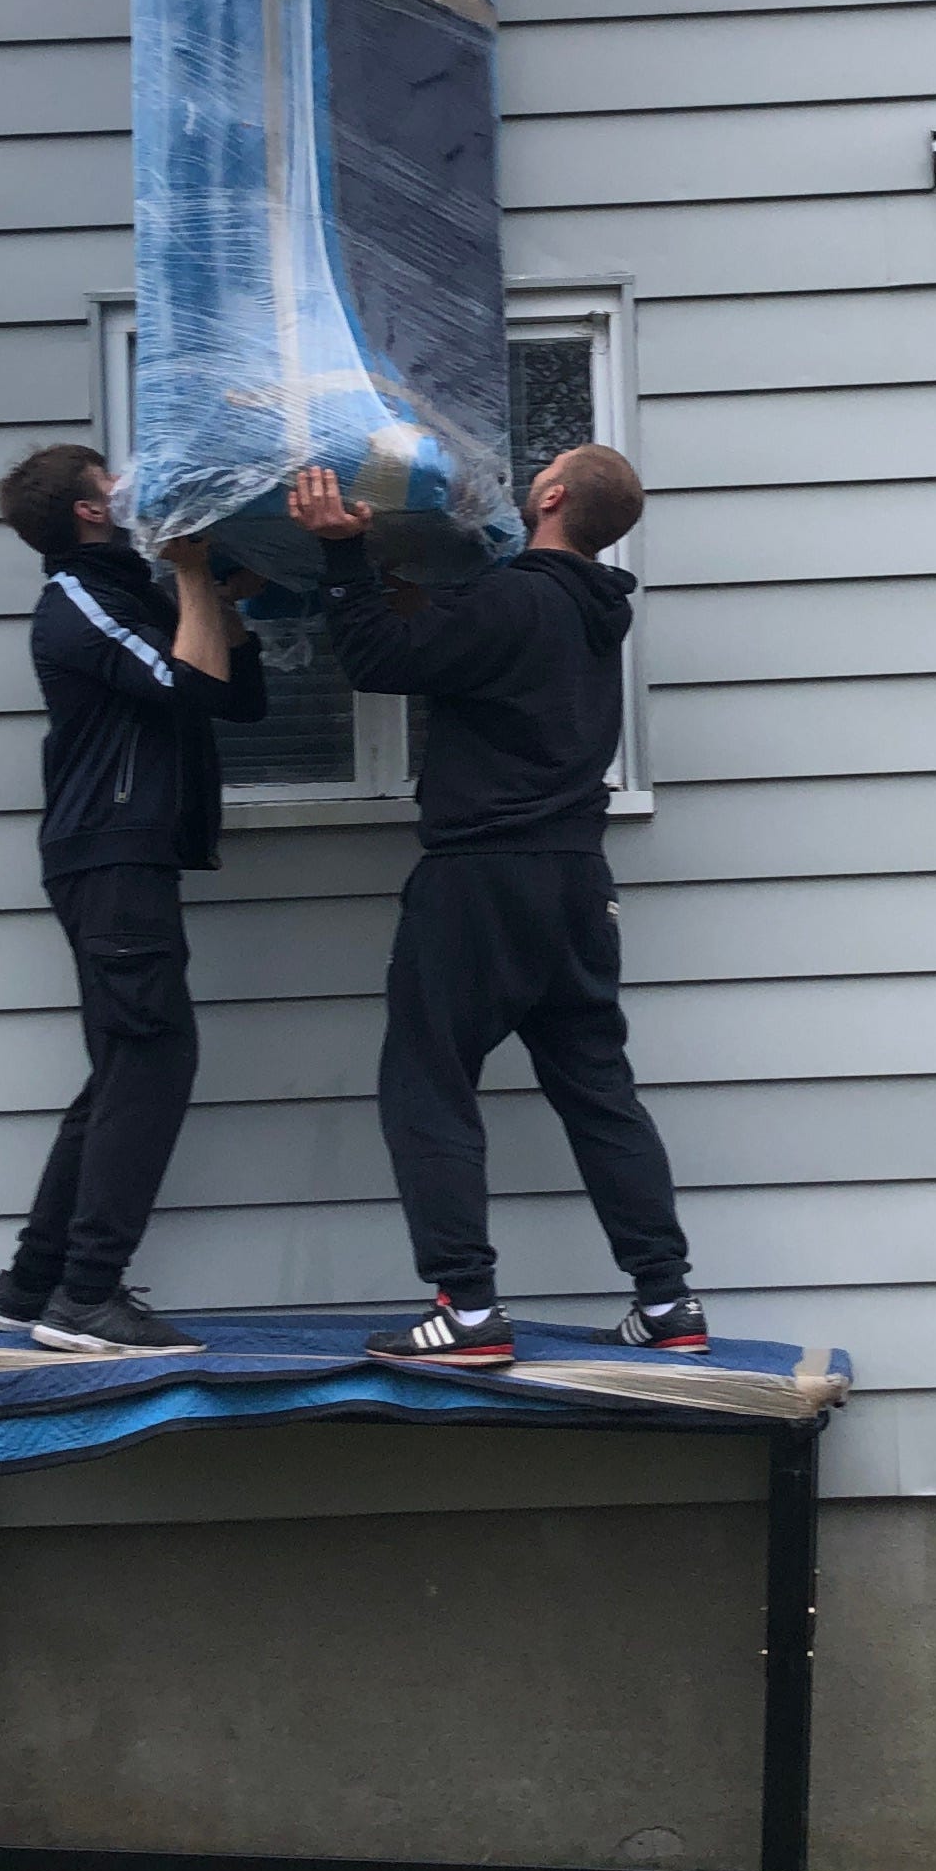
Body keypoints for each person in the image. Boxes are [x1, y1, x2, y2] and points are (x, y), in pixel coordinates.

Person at [285, 445, 702, 1368]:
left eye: (539, 471)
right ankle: (668, 1300)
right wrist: (413, 590)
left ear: (551, 498)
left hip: (481, 879)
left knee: (426, 1080)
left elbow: (378, 659)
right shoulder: (592, 616)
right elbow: (463, 642)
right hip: (575, 884)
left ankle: (466, 1308)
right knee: (597, 1090)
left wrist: (343, 558)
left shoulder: (515, 601)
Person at [0, 445, 266, 1355]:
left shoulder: (126, 591)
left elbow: (238, 698)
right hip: (108, 857)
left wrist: (219, 592)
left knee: (121, 1068)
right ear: (91, 511)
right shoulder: (78, 602)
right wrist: (188, 575)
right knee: (155, 1060)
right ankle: (88, 1296)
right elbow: (186, 684)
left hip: (125, 858)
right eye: (116, 486)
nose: (134, 495)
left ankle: (29, 1287)